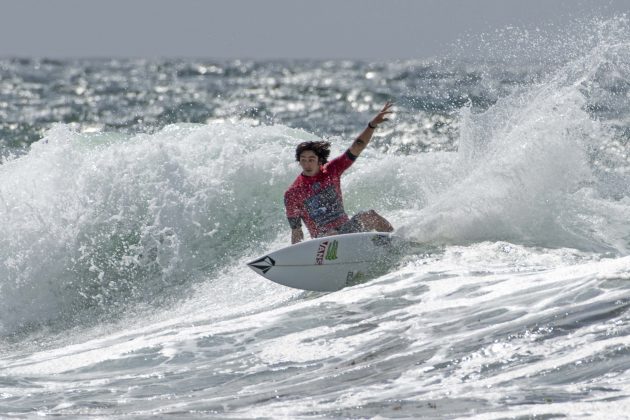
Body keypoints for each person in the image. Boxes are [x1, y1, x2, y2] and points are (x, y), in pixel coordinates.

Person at [284, 101, 395, 244]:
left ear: (320, 161)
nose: (307, 163)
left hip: (347, 231)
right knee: (330, 234)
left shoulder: (332, 170)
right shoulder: (293, 193)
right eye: (303, 159)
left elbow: (357, 147)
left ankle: (394, 242)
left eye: (311, 159)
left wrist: (371, 125)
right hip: (322, 242)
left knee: (369, 215)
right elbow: (296, 231)